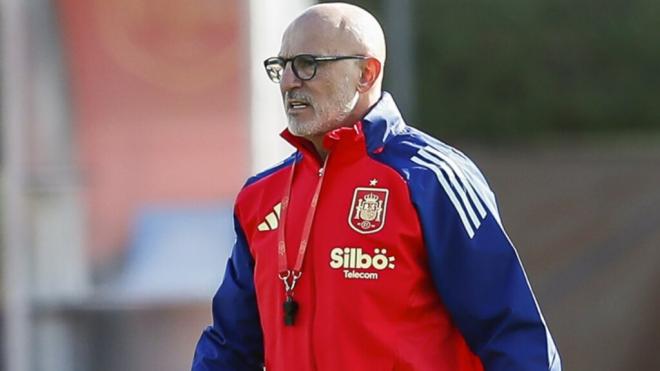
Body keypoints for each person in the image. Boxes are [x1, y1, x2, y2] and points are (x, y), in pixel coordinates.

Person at [192, 2, 561, 371]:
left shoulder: (429, 178)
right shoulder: (262, 195)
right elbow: (230, 346)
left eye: (308, 64)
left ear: (366, 73)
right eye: (282, 66)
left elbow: (510, 332)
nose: (289, 81)